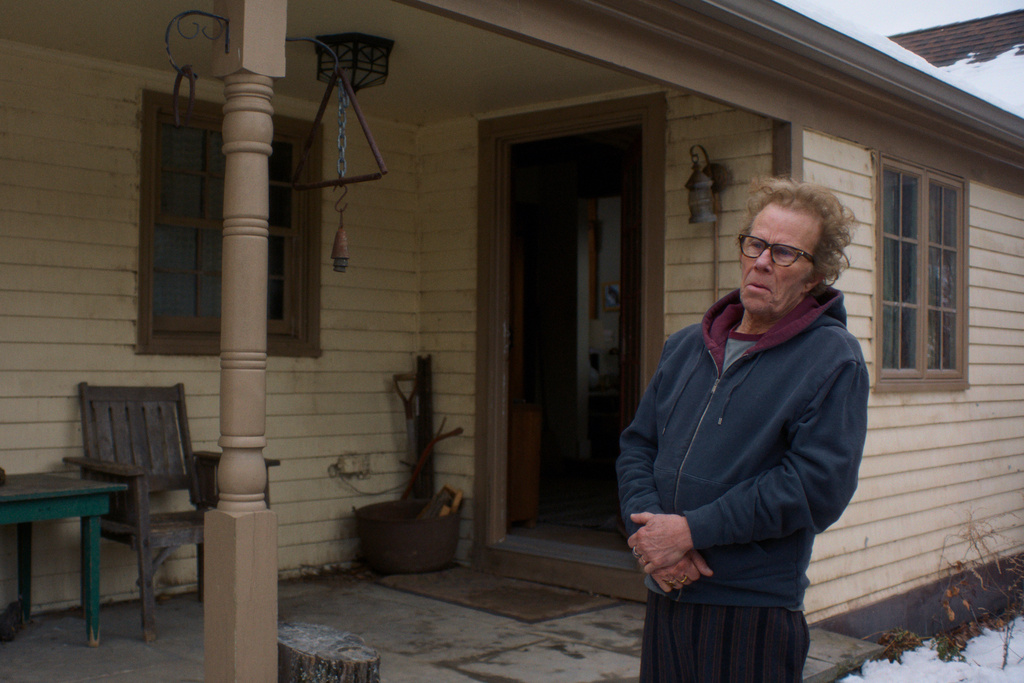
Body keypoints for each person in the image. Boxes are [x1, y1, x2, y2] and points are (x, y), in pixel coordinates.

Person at [616, 177, 869, 682]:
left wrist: (691, 531)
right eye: (755, 243)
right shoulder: (686, 346)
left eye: (784, 252)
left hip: (750, 612)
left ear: (815, 274)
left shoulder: (832, 359)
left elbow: (816, 487)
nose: (760, 261)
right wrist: (651, 536)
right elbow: (638, 446)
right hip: (667, 592)